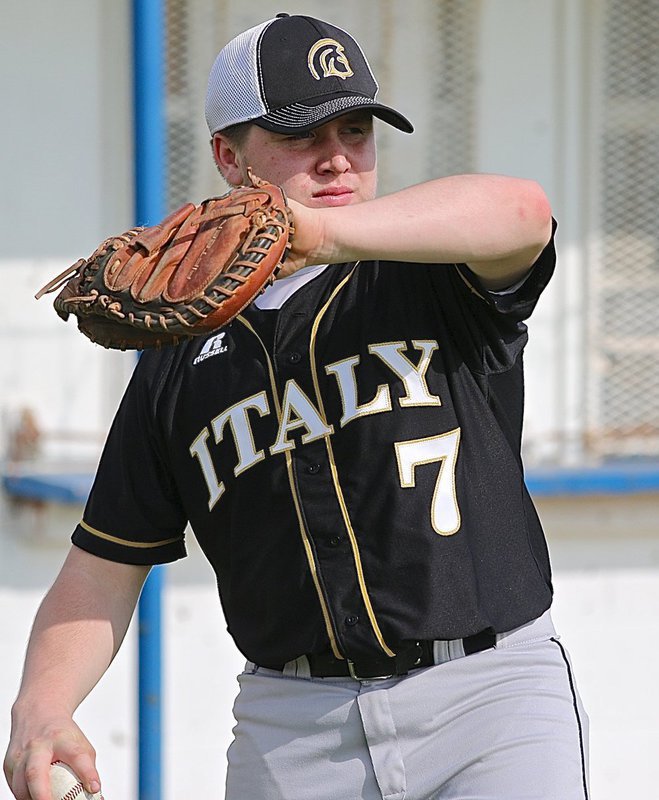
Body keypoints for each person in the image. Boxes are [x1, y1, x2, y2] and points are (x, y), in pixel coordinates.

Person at [4, 12, 590, 800]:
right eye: (301, 134)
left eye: (356, 129)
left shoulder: (426, 269)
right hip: (293, 724)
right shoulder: (176, 363)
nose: (338, 156)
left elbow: (521, 211)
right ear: (227, 156)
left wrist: (315, 232)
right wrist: (42, 708)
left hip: (489, 696)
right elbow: (103, 567)